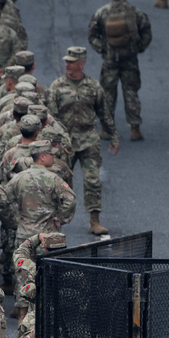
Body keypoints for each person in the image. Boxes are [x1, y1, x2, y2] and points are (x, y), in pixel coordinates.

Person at [47, 47, 118, 235]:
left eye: (72, 62)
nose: (68, 65)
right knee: (60, 182)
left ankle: (94, 220)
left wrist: (113, 136)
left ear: (82, 63)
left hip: (88, 140)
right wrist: (51, 142)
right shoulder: (57, 86)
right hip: (65, 143)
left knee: (93, 180)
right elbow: (50, 117)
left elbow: (104, 112)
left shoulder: (93, 86)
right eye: (66, 61)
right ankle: (57, 220)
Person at [87, 0, 152, 141]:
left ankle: (107, 129)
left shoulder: (102, 12)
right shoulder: (135, 12)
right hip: (130, 59)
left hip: (110, 60)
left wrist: (103, 49)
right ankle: (135, 128)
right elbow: (146, 33)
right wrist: (138, 48)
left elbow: (92, 35)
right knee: (131, 92)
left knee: (108, 93)